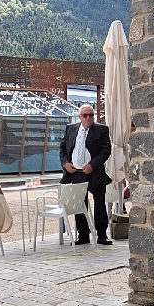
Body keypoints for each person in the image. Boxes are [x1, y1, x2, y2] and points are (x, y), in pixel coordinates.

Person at [58, 105, 112, 245]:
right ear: (79, 117)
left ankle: (101, 235)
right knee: (80, 204)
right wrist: (65, 163)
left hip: (94, 172)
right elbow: (63, 149)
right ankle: (83, 235)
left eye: (91, 115)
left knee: (99, 203)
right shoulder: (71, 129)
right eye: (85, 115)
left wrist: (92, 165)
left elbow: (106, 150)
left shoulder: (101, 129)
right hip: (76, 172)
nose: (88, 118)